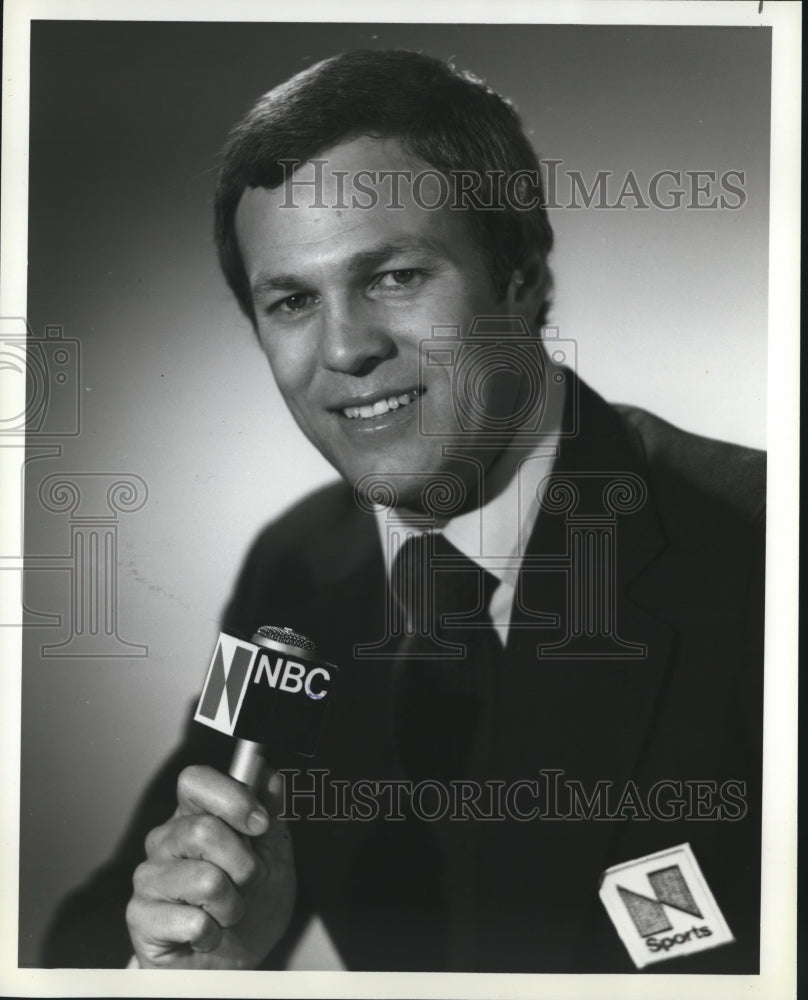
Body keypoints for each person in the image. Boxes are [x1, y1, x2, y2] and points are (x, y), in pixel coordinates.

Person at [42, 49, 765, 974]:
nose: (346, 348)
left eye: (394, 277)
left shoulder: (763, 551)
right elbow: (104, 931)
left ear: (523, 273)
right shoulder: (296, 570)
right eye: (294, 300)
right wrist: (200, 962)